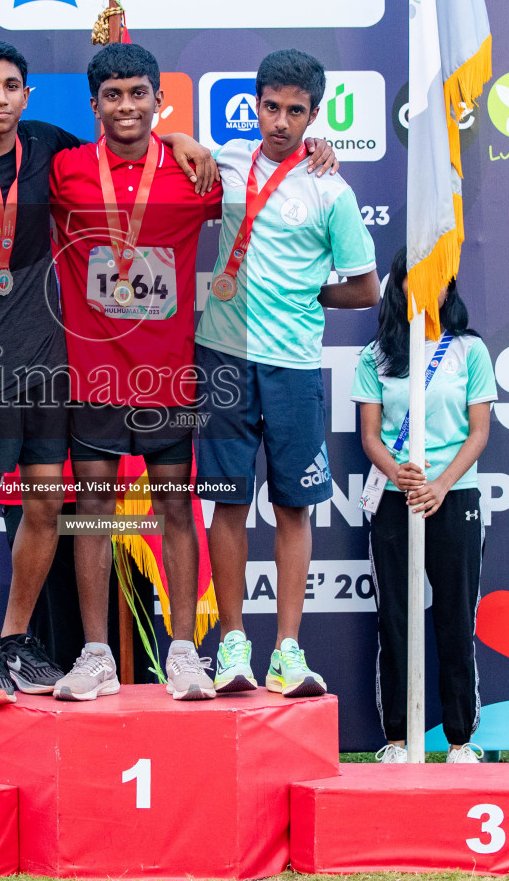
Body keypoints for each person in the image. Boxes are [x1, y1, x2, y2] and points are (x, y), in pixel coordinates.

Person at [0, 42, 214, 707]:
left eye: (11, 86)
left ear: (27, 96)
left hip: (59, 367)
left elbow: (139, 144)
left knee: (53, 503)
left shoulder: (52, 148)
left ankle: (22, 638)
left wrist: (182, 138)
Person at [194, 49, 379, 698]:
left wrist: (306, 297)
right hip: (221, 353)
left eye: (294, 110)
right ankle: (234, 645)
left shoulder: (333, 189)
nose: (279, 121)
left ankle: (289, 652)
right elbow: (164, 150)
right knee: (229, 501)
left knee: (295, 506)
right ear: (256, 104)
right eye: (270, 106)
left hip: (295, 364)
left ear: (314, 113)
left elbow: (365, 289)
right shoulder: (228, 161)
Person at [352, 247, 496, 763]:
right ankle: (395, 740)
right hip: (395, 499)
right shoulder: (374, 357)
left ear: (448, 286)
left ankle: (460, 740)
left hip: (454, 498)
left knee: (456, 618)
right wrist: (399, 474)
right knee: (394, 618)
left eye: (436, 278)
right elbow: (369, 437)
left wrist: (440, 483)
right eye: (416, 277)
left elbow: (479, 433)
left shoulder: (470, 352)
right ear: (399, 285)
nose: (427, 287)